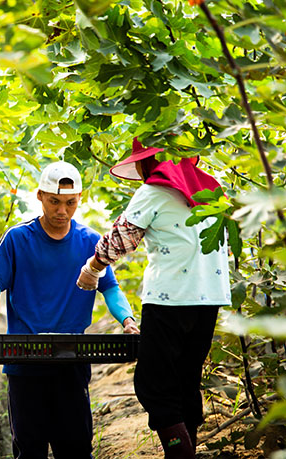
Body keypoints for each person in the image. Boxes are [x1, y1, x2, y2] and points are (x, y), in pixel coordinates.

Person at [76, 138, 230, 458]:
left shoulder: (153, 192)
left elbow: (121, 239)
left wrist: (92, 268)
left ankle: (180, 454)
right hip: (209, 300)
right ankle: (188, 447)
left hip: (170, 300)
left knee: (154, 386)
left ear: (151, 162)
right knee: (186, 380)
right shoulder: (211, 192)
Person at [0, 160, 139, 459]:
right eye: (54, 202)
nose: (62, 211)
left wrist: (128, 320)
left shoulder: (90, 242)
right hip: (24, 363)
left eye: (70, 203)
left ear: (80, 200)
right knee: (29, 448)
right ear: (39, 197)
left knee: (75, 448)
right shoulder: (17, 239)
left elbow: (110, 288)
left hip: (71, 362)